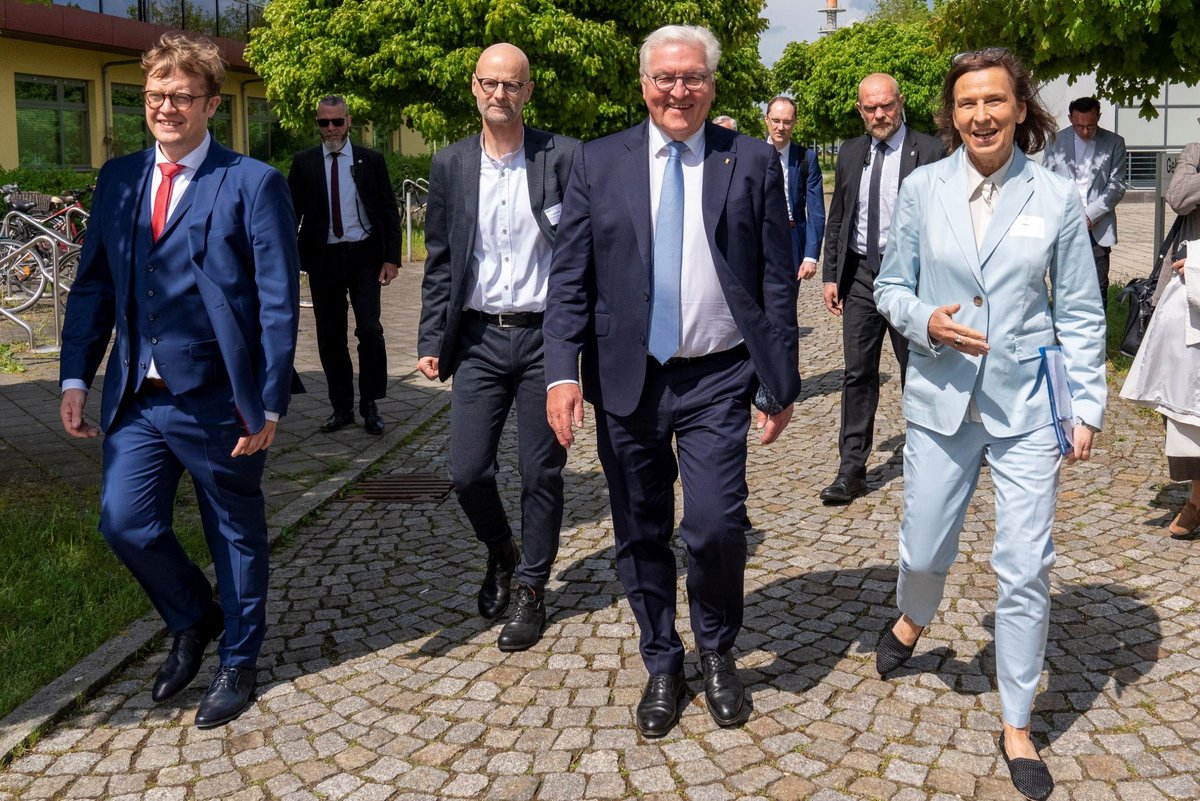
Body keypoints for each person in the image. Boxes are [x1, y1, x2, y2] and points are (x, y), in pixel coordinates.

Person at [544, 24, 799, 738]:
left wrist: (781, 378)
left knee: (716, 525)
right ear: (644, 84)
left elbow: (776, 280)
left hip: (719, 375)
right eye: (665, 78)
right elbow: (569, 280)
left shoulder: (748, 161)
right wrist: (561, 371)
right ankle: (663, 657)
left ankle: (717, 649)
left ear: (712, 85)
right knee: (640, 528)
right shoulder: (598, 162)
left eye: (692, 78)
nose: (677, 91)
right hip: (629, 377)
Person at [873, 49, 1106, 800]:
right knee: (926, 542)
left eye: (994, 101)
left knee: (1026, 562)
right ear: (952, 112)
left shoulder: (1055, 193)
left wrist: (1085, 406)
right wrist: (924, 321)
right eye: (967, 103)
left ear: (1019, 107)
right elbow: (889, 286)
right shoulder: (920, 189)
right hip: (941, 400)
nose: (980, 115)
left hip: (1026, 405)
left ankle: (1015, 720)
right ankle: (914, 613)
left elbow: (1077, 309)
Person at [58, 31, 301, 728]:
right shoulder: (119, 179)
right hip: (138, 395)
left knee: (236, 532)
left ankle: (239, 658)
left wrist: (271, 402)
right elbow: (94, 287)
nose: (166, 107)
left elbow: (278, 301)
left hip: (222, 399)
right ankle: (195, 615)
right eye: (156, 95)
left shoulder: (252, 183)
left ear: (211, 104)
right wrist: (77, 375)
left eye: (182, 96)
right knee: (124, 521)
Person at [417, 44, 578, 652]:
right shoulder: (451, 164)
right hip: (481, 337)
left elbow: (581, 250)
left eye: (512, 85)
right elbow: (440, 260)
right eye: (490, 84)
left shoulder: (561, 157)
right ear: (475, 88)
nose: (499, 94)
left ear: (528, 91)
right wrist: (433, 335)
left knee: (541, 471)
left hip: (545, 338)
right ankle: (501, 551)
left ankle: (533, 588)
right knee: (467, 472)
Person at [818, 73, 944, 504]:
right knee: (858, 374)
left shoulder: (931, 150)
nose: (879, 114)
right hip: (861, 279)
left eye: (886, 105)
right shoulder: (852, 152)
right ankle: (850, 470)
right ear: (860, 109)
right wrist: (831, 274)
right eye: (870, 108)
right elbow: (839, 218)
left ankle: (928, 461)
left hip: (914, 280)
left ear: (900, 102)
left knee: (919, 372)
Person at [288, 95, 402, 435]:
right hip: (324, 259)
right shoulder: (304, 163)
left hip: (364, 256)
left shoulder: (370, 160)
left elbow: (387, 212)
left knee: (369, 330)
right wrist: (284, 259)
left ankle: (371, 403)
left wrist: (391, 259)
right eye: (324, 123)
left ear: (349, 121)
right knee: (329, 336)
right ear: (318, 125)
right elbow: (290, 214)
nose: (331, 128)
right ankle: (341, 407)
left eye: (337, 121)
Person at [1121, 141, 1200, 538]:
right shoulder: (1195, 152)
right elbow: (1180, 196)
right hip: (1191, 300)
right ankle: (1197, 500)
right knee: (1186, 408)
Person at [1041, 96, 1127, 311]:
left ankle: (1098, 337)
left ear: (1098, 117)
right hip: (1063, 224)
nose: (1086, 131)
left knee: (1098, 285)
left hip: (1097, 226)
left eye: (1091, 125)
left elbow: (1116, 186)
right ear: (1070, 119)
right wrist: (1069, 215)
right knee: (1064, 283)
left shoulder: (1114, 142)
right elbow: (1047, 181)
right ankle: (1063, 333)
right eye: (1080, 126)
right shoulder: (1055, 141)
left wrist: (1090, 215)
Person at [765, 96, 825, 280]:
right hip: (758, 238)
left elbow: (816, 212)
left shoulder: (806, 158)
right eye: (775, 121)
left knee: (786, 303)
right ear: (766, 119)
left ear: (795, 123)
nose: (780, 127)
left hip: (791, 239)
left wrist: (810, 256)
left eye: (787, 122)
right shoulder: (750, 155)